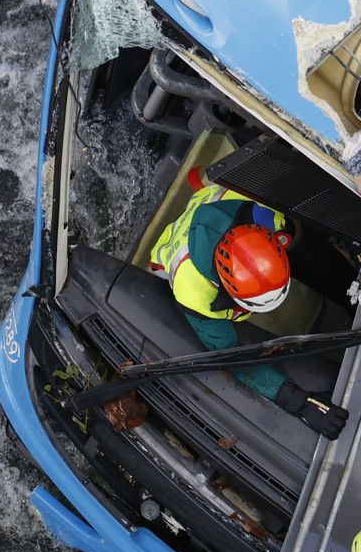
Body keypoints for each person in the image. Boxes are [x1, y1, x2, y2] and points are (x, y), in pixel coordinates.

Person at [147, 166, 348, 439]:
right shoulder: (192, 292)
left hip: (216, 203)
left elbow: (308, 228)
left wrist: (358, 254)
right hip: (171, 252)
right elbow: (233, 357)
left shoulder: (264, 214)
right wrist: (299, 403)